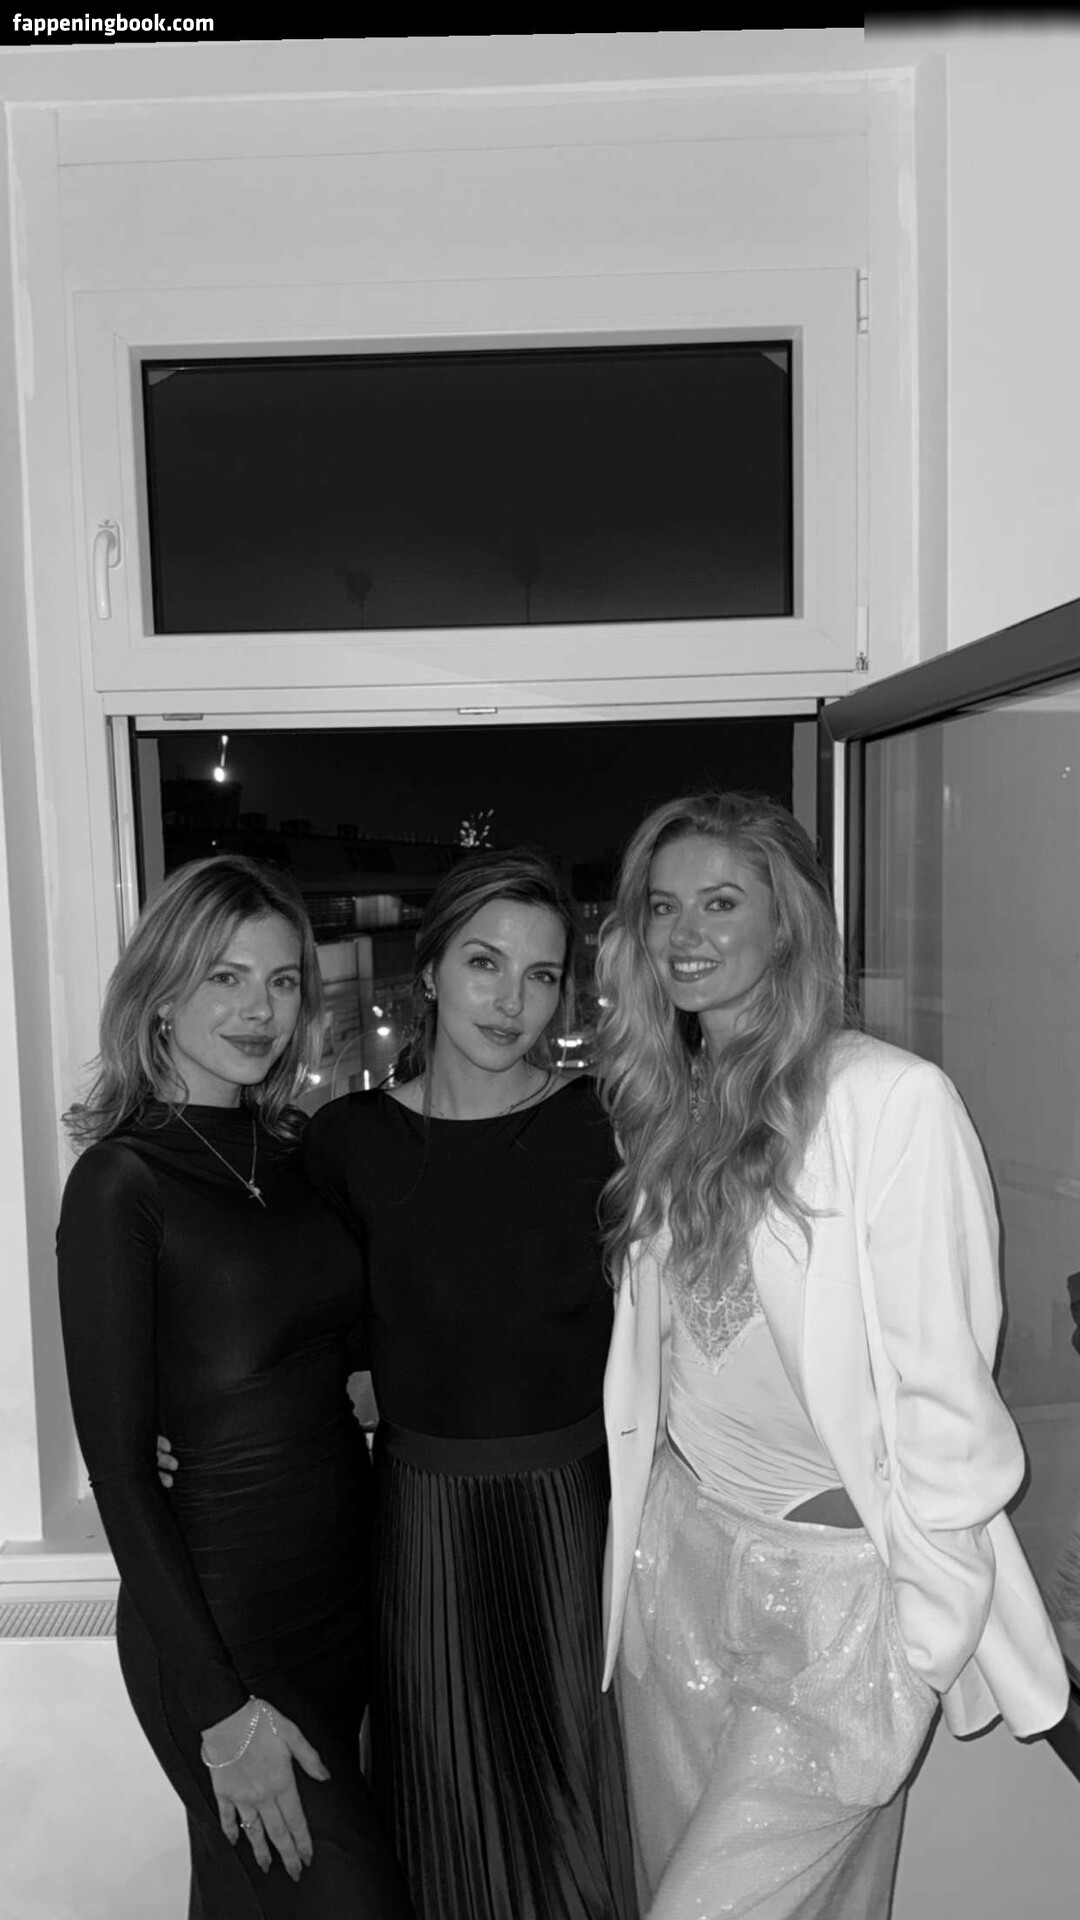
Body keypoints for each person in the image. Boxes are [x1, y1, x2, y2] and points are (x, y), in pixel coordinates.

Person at [595, 792, 1069, 1920]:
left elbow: (945, 1390)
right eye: (662, 906)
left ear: (788, 923)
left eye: (721, 902)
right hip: (677, 1562)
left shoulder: (889, 1101)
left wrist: (921, 1632)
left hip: (836, 1596)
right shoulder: (666, 1106)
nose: (684, 934)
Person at [56, 855, 414, 1920]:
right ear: (163, 992)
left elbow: (353, 1342)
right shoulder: (120, 1182)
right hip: (220, 1633)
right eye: (225, 977)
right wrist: (220, 1714)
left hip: (341, 1611)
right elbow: (122, 1473)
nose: (259, 1009)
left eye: (283, 980)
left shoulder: (300, 1157)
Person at [301, 848, 639, 1920]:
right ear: (431, 969)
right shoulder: (348, 1141)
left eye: (541, 975)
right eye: (485, 963)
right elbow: (296, 1326)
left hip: (572, 1517)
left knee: (572, 1826)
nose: (512, 1001)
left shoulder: (604, 1129)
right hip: (418, 1522)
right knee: (439, 1822)